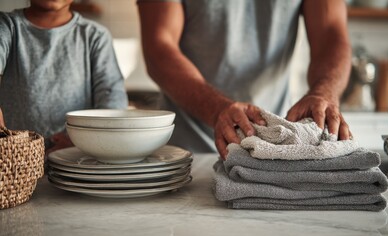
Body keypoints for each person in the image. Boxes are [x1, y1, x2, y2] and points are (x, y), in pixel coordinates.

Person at [137, 0, 352, 160]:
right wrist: (217, 109)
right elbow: (159, 47)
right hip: (185, 155)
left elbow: (331, 33)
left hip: (276, 151)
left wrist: (322, 94)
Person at [0, 0, 128, 154]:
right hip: (14, 162)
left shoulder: (95, 36)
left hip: (77, 157)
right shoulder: (7, 26)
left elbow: (113, 102)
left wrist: (83, 142)